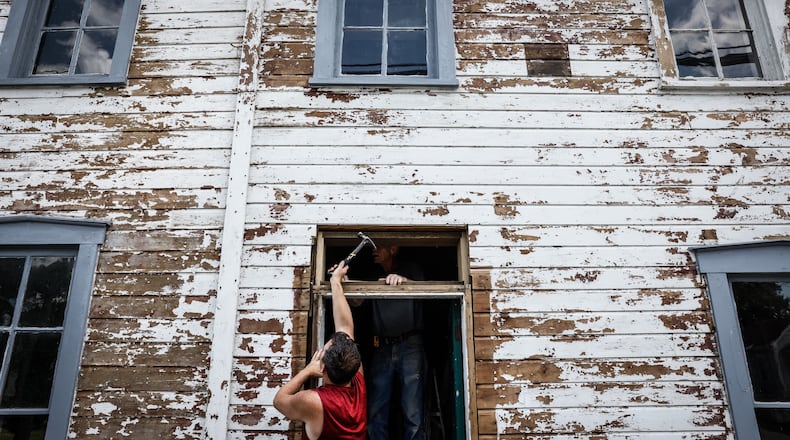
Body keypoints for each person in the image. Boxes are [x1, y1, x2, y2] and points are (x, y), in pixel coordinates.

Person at [273, 261, 366, 440]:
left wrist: (307, 371)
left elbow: (279, 401)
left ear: (322, 370)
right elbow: (345, 327)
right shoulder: (356, 379)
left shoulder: (313, 401)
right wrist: (336, 282)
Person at [366, 243, 427, 440]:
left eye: (380, 246)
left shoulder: (411, 268)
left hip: (410, 344)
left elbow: (427, 293)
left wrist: (405, 281)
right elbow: (355, 301)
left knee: (412, 409)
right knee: (376, 409)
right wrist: (341, 282)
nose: (374, 250)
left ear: (393, 249)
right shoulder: (371, 273)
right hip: (381, 346)